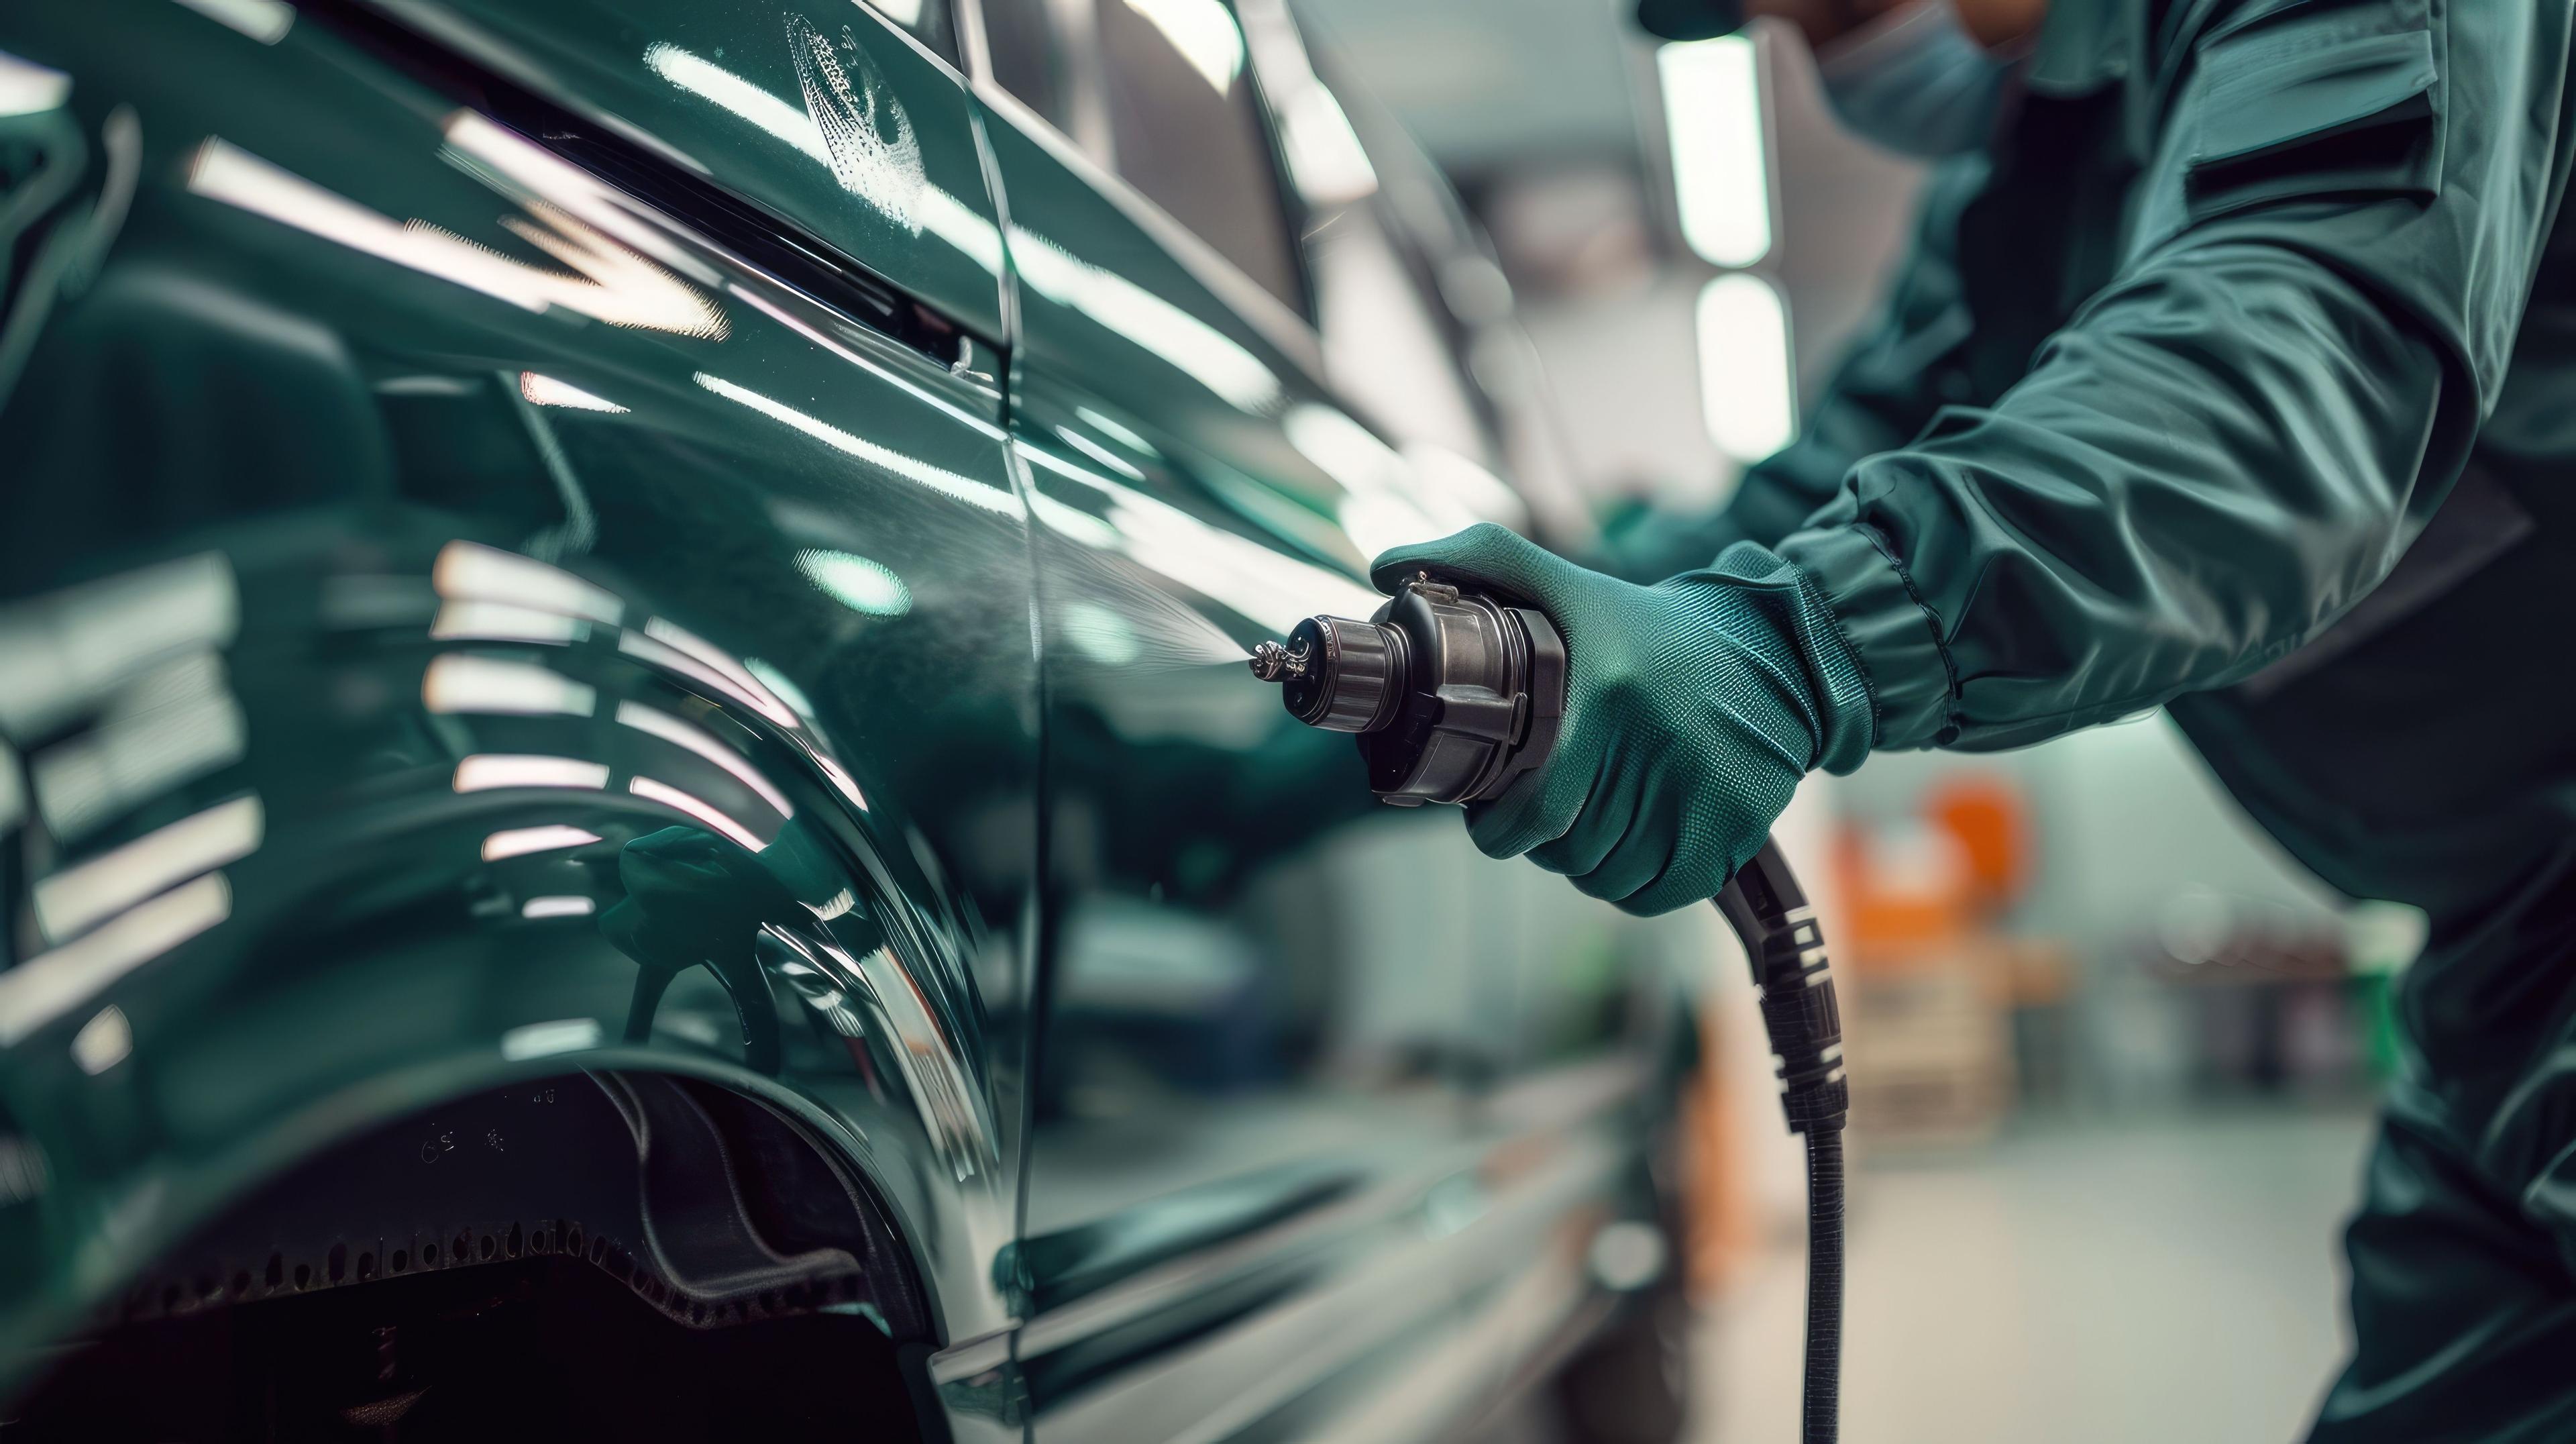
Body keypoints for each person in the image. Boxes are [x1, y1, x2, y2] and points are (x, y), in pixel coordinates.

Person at [1375, 0, 2576, 1437]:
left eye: (1830, 9)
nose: (1829, 62)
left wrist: (1805, 637)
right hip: (2510, 967)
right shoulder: (2027, 204)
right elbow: (1782, 509)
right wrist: (1363, 707)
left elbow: (2282, 364)